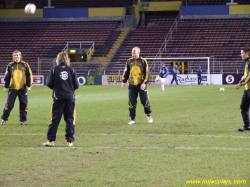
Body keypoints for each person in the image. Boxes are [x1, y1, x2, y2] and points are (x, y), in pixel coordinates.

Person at [44, 52, 79, 146]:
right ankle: (69, 141)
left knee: (54, 119)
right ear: (67, 59)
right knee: (70, 119)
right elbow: (76, 85)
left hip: (58, 97)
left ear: (58, 59)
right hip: (70, 97)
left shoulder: (54, 69)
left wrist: (57, 88)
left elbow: (49, 83)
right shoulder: (71, 70)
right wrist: (69, 90)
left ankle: (51, 141)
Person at [121, 47, 153, 125]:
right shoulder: (129, 61)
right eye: (132, 51)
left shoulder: (143, 61)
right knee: (132, 103)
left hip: (141, 85)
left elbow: (147, 73)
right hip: (132, 85)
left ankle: (149, 115)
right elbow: (126, 72)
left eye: (134, 51)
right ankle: (132, 119)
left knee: (144, 101)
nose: (133, 52)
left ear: (139, 52)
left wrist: (144, 83)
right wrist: (124, 81)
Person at [1, 50, 33, 126]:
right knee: (9, 105)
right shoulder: (10, 65)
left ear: (20, 56)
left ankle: (23, 120)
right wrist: (6, 87)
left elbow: (29, 76)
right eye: (15, 55)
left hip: (23, 88)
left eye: (17, 55)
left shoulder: (25, 65)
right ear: (13, 57)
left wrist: (29, 86)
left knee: (24, 105)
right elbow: (7, 77)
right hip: (13, 88)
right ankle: (4, 119)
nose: (16, 57)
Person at [235, 45, 250, 132]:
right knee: (243, 107)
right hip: (247, 89)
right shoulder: (247, 63)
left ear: (247, 54)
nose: (241, 55)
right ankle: (247, 125)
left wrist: (240, 83)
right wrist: (243, 77)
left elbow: (249, 76)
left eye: (242, 53)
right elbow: (247, 75)